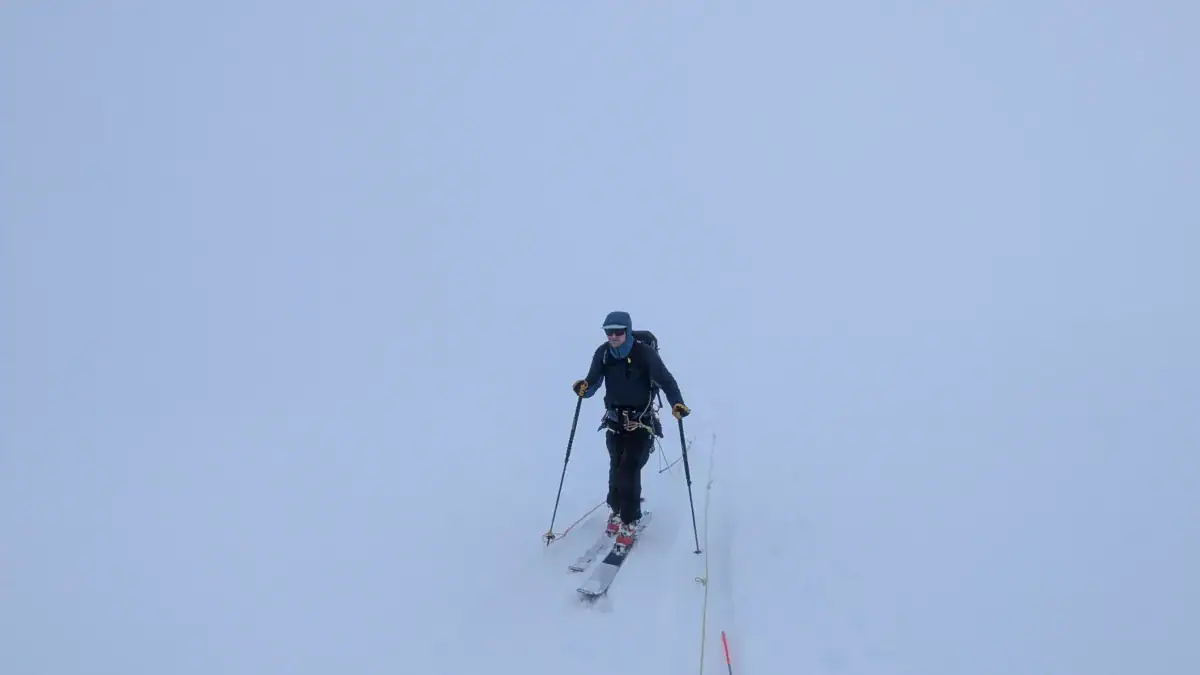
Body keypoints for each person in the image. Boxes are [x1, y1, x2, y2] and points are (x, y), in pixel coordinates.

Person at [572, 310, 690, 548]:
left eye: (618, 332)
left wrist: (676, 403)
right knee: (616, 467)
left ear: (627, 331)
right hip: (614, 422)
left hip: (641, 423)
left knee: (629, 468)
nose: (613, 336)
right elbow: (593, 381)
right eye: (609, 332)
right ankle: (615, 510)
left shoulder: (644, 355)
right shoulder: (603, 354)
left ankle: (629, 520)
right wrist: (584, 388)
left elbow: (667, 381)